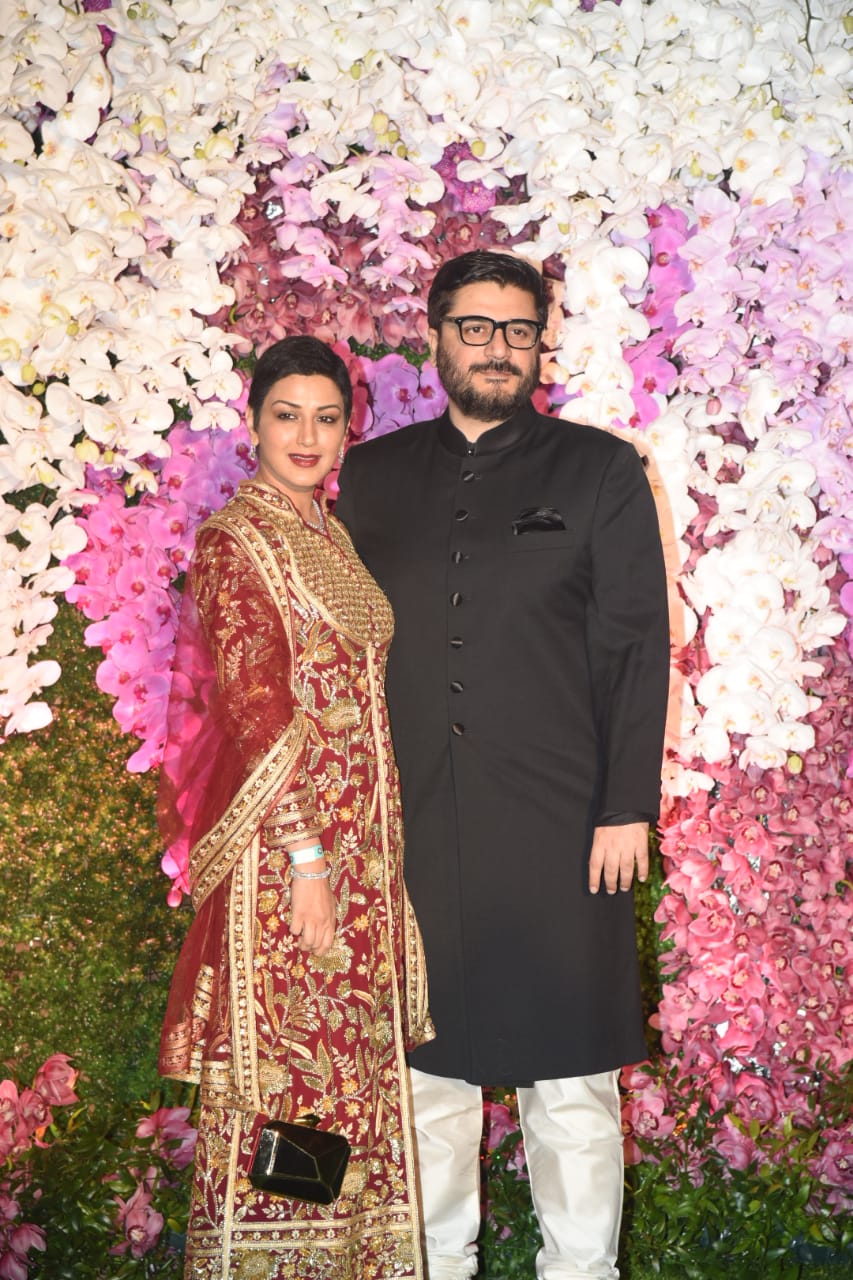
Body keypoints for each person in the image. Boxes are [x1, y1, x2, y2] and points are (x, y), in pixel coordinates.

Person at [336, 250, 670, 1280]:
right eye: (476, 327)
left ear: (540, 345)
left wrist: (625, 807)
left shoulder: (599, 470)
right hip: (412, 826)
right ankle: (436, 1263)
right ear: (435, 336)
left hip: (560, 827)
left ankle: (581, 1269)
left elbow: (634, 645)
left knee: (570, 1083)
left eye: (517, 330)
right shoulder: (372, 477)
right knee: (424, 1081)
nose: (497, 348)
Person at [157, 335, 434, 1279]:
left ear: (349, 429)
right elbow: (254, 709)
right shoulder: (236, 543)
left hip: (364, 859)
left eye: (326, 417)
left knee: (349, 1088)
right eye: (287, 416)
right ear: (253, 424)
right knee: (288, 1087)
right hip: (291, 865)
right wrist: (307, 863)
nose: (307, 436)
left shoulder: (330, 534)